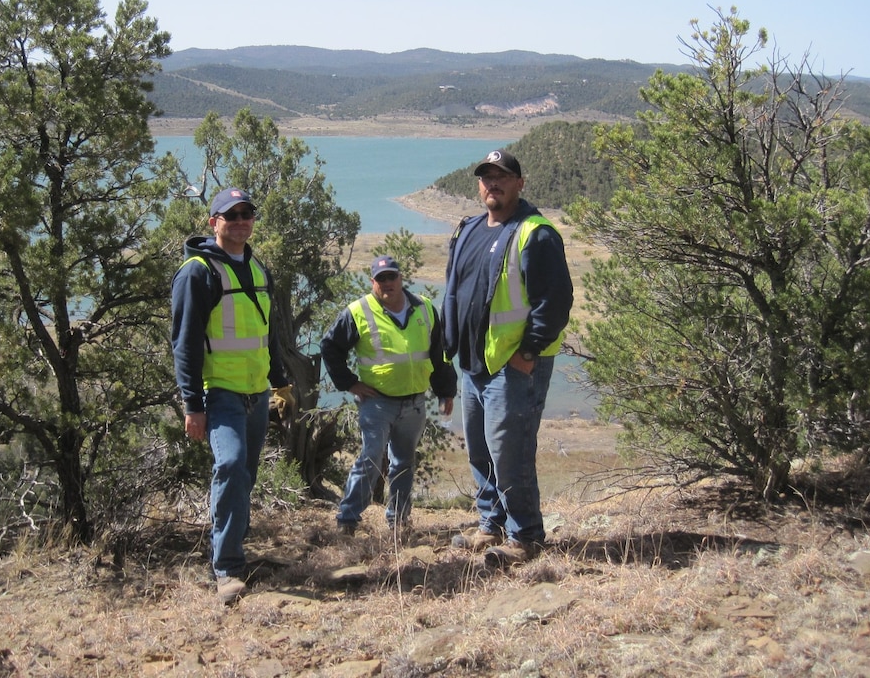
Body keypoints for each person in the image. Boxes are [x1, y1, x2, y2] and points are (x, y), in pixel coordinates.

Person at [442, 149, 574, 567]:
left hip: (513, 367)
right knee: (480, 449)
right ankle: (490, 525)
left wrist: (528, 352)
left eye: (502, 176)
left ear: (520, 183)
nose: (492, 184)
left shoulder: (535, 233)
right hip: (474, 364)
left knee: (510, 451)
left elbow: (554, 301)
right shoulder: (469, 229)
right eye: (486, 177)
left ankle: (525, 537)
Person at [171, 187, 295, 605]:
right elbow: (185, 343)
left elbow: (268, 332)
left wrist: (280, 383)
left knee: (245, 475)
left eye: (247, 214)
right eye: (231, 215)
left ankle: (235, 546)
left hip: (256, 393)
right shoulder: (197, 272)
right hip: (219, 392)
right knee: (229, 465)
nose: (241, 221)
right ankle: (227, 569)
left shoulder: (258, 268)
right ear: (214, 223)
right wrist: (193, 405)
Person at [320, 255, 456, 536]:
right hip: (377, 402)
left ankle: (398, 520)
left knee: (404, 462)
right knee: (370, 458)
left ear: (400, 279)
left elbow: (438, 354)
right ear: (373, 282)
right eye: (380, 279)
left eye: (391, 277)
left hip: (415, 402)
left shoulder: (425, 309)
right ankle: (348, 519)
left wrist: (445, 392)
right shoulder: (359, 311)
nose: (387, 283)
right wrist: (350, 383)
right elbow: (330, 347)